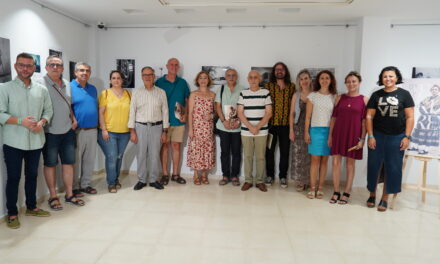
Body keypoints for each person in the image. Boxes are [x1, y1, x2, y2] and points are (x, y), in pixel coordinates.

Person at [0, 53, 53, 229]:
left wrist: (42, 122)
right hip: (13, 142)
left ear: (33, 68)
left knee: (32, 176)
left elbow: (48, 111)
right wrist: (20, 121)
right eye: (22, 65)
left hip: (36, 141)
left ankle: (31, 207)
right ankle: (12, 213)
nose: (25, 69)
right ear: (15, 66)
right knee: (14, 178)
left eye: (29, 66)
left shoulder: (41, 90)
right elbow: (0, 113)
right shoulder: (4, 88)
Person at [366, 66, 415, 212]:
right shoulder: (376, 95)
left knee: (392, 167)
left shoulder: (405, 94)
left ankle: (385, 198)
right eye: (385, 76)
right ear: (381, 78)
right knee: (374, 166)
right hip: (377, 136)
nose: (388, 79)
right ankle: (372, 194)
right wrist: (370, 136)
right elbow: (369, 116)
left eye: (391, 76)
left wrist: (406, 136)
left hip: (397, 136)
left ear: (397, 78)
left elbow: (410, 117)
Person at [39, 55, 85, 210]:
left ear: (63, 68)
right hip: (49, 132)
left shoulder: (66, 83)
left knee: (68, 163)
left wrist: (74, 119)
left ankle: (69, 194)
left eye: (58, 65)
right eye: (51, 64)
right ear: (46, 67)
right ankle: (53, 196)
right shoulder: (39, 84)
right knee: (50, 164)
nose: (55, 67)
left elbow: (68, 105)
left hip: (68, 131)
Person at [328, 71, 368, 204]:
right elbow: (333, 118)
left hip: (354, 135)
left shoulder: (364, 99)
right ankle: (336, 191)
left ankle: (347, 191)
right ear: (345, 83)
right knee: (335, 163)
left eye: (354, 81)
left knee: (350, 164)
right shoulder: (339, 98)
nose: (351, 84)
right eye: (348, 81)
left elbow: (364, 122)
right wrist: (330, 136)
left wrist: (362, 139)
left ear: (359, 82)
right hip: (338, 134)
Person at [129, 67, 169, 190]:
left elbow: (165, 112)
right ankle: (141, 179)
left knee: (154, 154)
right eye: (145, 75)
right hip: (140, 127)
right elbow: (132, 111)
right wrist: (132, 131)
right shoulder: (136, 92)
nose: (147, 77)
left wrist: (164, 131)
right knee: (141, 154)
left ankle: (153, 180)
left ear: (154, 76)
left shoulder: (161, 92)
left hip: (157, 127)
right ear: (142, 77)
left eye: (150, 74)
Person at [156, 58, 190, 185]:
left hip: (178, 121)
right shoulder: (159, 82)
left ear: (178, 67)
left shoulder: (182, 83)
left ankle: (175, 174)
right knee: (165, 146)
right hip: (163, 122)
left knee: (176, 147)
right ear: (167, 66)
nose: (174, 67)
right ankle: (165, 174)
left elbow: (187, 101)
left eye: (176, 65)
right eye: (171, 64)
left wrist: (185, 114)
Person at [237, 70, 273, 192]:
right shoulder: (243, 93)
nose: (253, 79)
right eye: (251, 77)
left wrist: (257, 127)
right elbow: (240, 113)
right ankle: (248, 180)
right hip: (246, 131)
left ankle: (259, 181)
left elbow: (269, 113)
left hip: (261, 131)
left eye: (255, 77)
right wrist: (250, 127)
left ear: (259, 79)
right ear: (248, 79)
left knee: (260, 157)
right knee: (247, 156)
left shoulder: (265, 93)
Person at [304, 70, 337, 199]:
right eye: (322, 78)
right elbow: (307, 117)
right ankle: (312, 188)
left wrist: (332, 135)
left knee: (324, 161)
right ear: (318, 80)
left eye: (327, 78)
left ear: (331, 80)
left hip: (329, 131)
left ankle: (321, 187)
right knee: (315, 160)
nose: (324, 80)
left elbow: (335, 117)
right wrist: (306, 132)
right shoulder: (313, 96)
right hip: (315, 131)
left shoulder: (335, 96)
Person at [98, 70, 131, 193]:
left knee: (118, 156)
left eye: (118, 78)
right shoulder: (105, 94)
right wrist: (104, 129)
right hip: (109, 131)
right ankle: (111, 183)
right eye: (113, 78)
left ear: (122, 80)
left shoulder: (128, 94)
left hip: (125, 132)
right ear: (110, 80)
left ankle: (116, 179)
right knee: (111, 157)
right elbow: (101, 113)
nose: (116, 80)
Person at [264, 62, 296, 188]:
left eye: (282, 69)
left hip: (286, 126)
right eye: (277, 69)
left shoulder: (292, 87)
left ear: (285, 71)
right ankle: (270, 176)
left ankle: (283, 176)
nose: (279, 71)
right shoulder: (267, 86)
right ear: (274, 72)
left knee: (285, 152)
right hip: (270, 126)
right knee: (269, 152)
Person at [71, 62, 99, 196]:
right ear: (75, 72)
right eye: (81, 70)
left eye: (87, 71)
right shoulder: (69, 87)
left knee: (89, 159)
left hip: (93, 129)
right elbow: (67, 107)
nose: (84, 73)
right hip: (78, 131)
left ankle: (85, 184)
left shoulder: (93, 89)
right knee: (76, 160)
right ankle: (74, 187)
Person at [215, 69, 244, 186]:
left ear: (236, 77)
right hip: (223, 127)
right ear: (225, 77)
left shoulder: (242, 89)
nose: (231, 77)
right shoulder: (221, 89)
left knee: (237, 152)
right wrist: (223, 121)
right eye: (228, 75)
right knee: (225, 152)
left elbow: (244, 107)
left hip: (237, 127)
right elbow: (218, 106)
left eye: (233, 75)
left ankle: (235, 176)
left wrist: (239, 121)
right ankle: (225, 175)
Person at [187, 71, 216, 184]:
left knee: (207, 150)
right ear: (197, 80)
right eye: (201, 78)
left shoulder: (213, 95)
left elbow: (216, 112)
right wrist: (190, 129)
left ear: (208, 80)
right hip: (197, 127)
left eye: (205, 78)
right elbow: (190, 113)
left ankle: (204, 174)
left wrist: (212, 115)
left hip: (208, 127)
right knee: (196, 150)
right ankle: (195, 174)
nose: (203, 80)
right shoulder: (193, 94)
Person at [289, 69, 312, 192]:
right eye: (301, 79)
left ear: (310, 79)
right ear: (299, 81)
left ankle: (308, 180)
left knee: (309, 156)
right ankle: (299, 181)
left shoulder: (315, 94)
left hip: (311, 128)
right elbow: (292, 113)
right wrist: (291, 130)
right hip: (298, 128)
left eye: (306, 78)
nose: (304, 81)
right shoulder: (296, 95)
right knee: (298, 155)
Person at [409, 84, 440, 155]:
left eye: (436, 89)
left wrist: (435, 112)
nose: (434, 91)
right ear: (431, 90)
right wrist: (425, 112)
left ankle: (425, 149)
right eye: (433, 89)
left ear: (438, 91)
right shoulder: (427, 98)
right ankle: (415, 146)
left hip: (433, 119)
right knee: (418, 132)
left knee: (429, 134)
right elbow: (421, 105)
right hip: (424, 118)